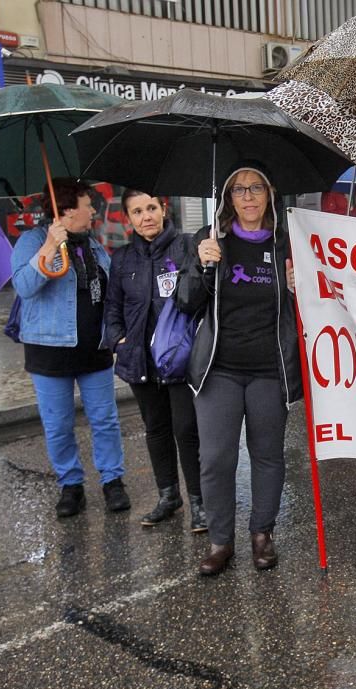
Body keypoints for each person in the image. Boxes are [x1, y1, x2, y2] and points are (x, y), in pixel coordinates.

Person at [177, 161, 301, 577]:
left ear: (270, 195)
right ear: (228, 199)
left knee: (268, 456)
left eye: (256, 188)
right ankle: (220, 541)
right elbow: (185, 301)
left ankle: (262, 535)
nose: (247, 197)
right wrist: (200, 265)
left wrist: (301, 289)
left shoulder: (289, 244)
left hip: (270, 369)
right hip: (219, 370)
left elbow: (314, 307)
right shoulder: (210, 240)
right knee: (215, 458)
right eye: (238, 189)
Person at [10, 178, 127, 518]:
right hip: (50, 351)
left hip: (95, 349)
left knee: (105, 420)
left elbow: (107, 291)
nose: (93, 210)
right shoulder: (31, 241)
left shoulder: (91, 245)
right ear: (67, 210)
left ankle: (112, 480)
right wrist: (48, 246)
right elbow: (24, 286)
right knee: (58, 424)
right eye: (87, 204)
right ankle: (71, 484)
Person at [105, 190, 204, 531]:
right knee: (156, 429)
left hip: (177, 359)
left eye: (150, 208)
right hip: (140, 362)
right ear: (128, 218)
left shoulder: (187, 246)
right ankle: (168, 495)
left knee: (186, 429)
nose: (145, 216)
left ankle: (199, 502)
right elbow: (112, 308)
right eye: (136, 211)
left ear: (162, 209)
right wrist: (118, 339)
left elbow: (200, 298)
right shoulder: (121, 259)